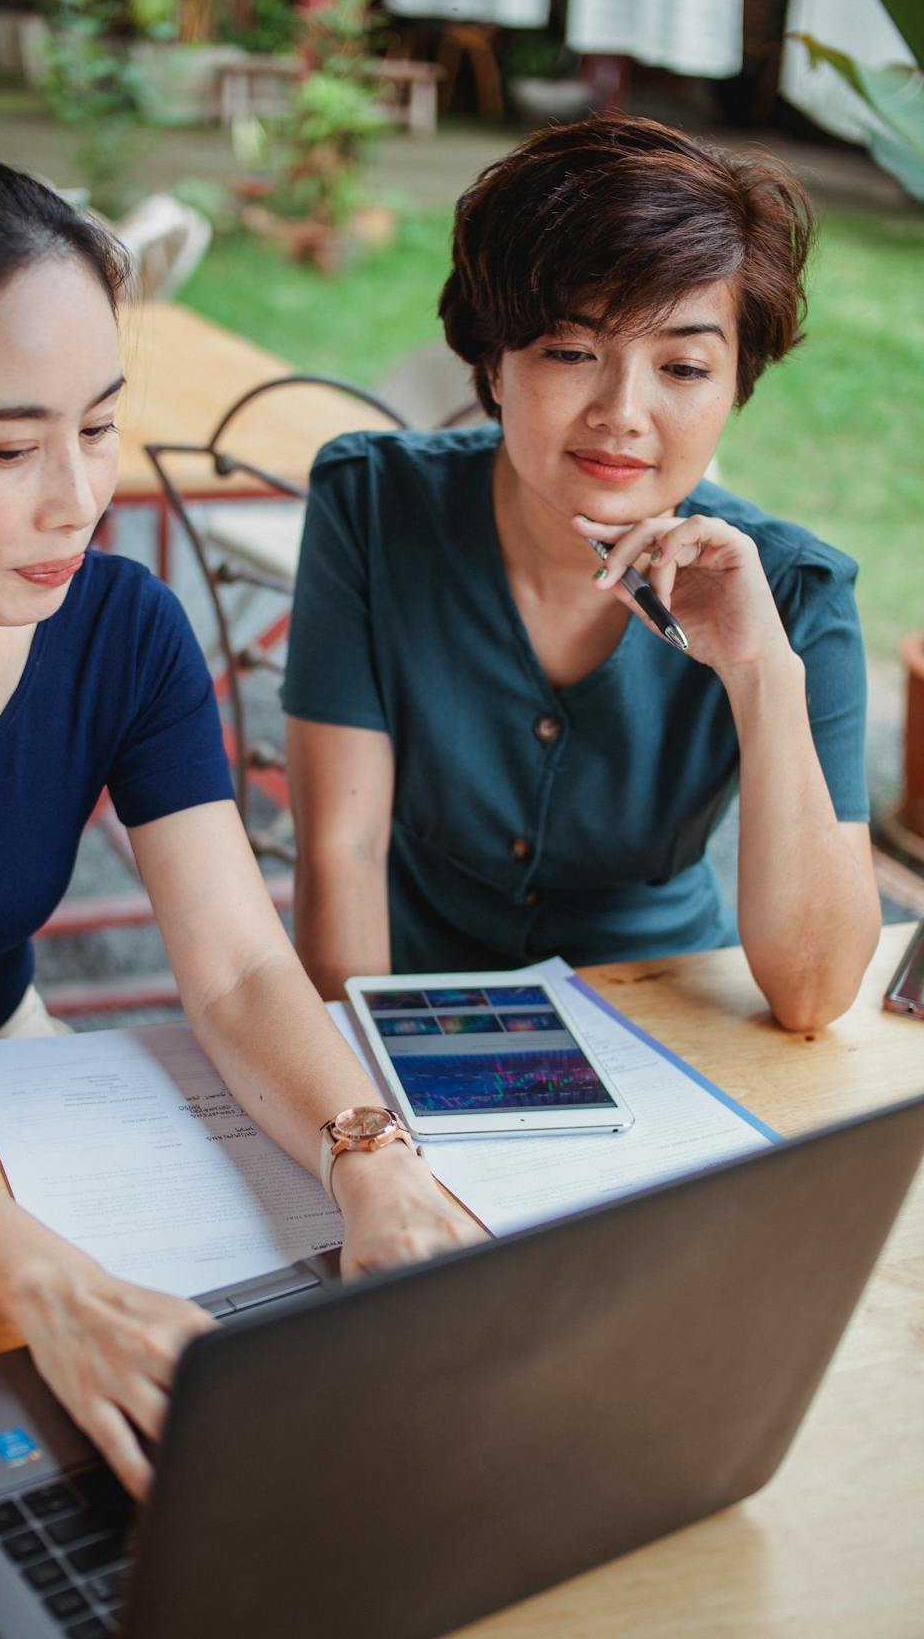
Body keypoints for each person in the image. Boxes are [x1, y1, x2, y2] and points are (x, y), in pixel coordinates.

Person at [0, 152, 481, 1497]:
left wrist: (371, 1156)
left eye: (98, 425)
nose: (79, 498)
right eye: (13, 448)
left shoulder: (119, 628)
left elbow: (243, 969)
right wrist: (60, 1290)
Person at [283, 117, 881, 1032]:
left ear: (735, 387)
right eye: (570, 352)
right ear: (494, 358)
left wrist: (761, 673)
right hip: (407, 1000)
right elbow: (342, 853)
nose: (623, 414)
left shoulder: (795, 594)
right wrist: (377, 1089)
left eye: (682, 366)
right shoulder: (373, 503)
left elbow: (813, 992)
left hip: (663, 1021)